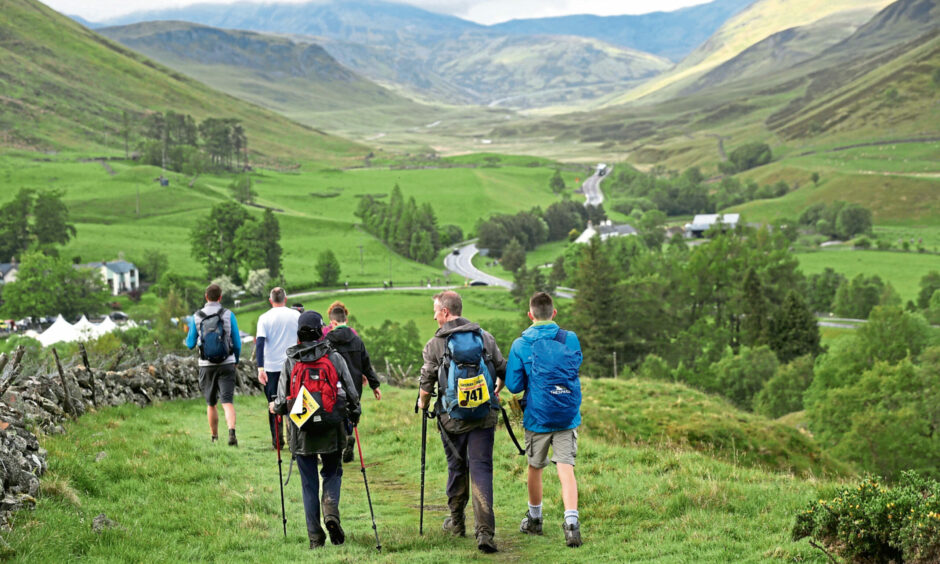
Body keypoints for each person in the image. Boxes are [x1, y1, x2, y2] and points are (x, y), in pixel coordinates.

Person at [417, 290, 506, 553]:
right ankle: (485, 532)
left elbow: (426, 383)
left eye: (435, 310)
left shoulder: (435, 344)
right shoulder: (484, 337)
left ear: (445, 312)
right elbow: (502, 369)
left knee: (457, 466)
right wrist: (495, 391)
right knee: (481, 468)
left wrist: (422, 403)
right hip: (483, 416)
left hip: (452, 418)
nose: (434, 315)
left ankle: (457, 524)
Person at [270, 311, 362, 550]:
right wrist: (354, 413)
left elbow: (281, 402)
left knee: (309, 483)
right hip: (332, 427)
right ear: (321, 330)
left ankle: (315, 538)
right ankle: (330, 511)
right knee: (332, 473)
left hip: (302, 432)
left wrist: (274, 406)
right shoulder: (334, 357)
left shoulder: (292, 360)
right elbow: (352, 393)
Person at [504, 292, 583, 548]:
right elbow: (575, 367)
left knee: (535, 466)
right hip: (566, 414)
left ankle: (535, 519)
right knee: (566, 468)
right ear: (554, 313)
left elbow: (514, 386)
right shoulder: (570, 338)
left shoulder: (520, 343)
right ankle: (571, 524)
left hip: (537, 416)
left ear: (530, 315)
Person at [324, 300, 382, 463]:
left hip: (335, 385)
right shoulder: (357, 340)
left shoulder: (328, 340)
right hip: (355, 384)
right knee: (352, 410)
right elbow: (366, 363)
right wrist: (375, 385)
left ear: (333, 322)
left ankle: (341, 442)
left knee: (337, 412)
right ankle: (349, 434)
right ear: (346, 320)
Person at [185, 283, 242, 446]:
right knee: (227, 401)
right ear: (220, 297)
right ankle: (231, 432)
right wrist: (235, 360)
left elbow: (189, 344)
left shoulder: (196, 316)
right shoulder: (228, 314)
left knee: (211, 403)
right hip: (227, 363)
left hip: (206, 364)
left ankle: (214, 437)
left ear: (206, 297)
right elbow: (237, 343)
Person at [256, 287, 300, 449]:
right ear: (285, 299)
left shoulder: (264, 318)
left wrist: (260, 368)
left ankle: (277, 440)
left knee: (273, 403)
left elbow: (260, 344)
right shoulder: (296, 316)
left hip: (271, 367)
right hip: (293, 366)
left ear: (270, 301)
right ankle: (293, 438)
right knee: (293, 401)